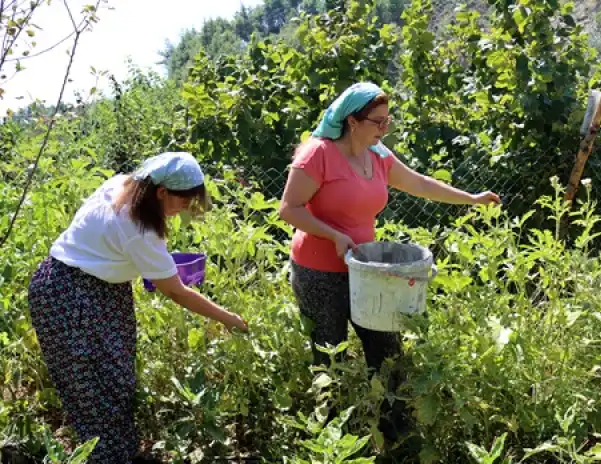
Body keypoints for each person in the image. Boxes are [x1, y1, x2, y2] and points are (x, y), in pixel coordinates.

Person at [279, 82, 499, 438]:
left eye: (387, 121)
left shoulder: (378, 156)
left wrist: (471, 199)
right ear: (352, 120)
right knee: (329, 354)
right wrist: (333, 235)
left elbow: (423, 184)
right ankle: (327, 438)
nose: (385, 129)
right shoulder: (317, 154)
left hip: (368, 271)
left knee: (388, 352)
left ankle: (395, 435)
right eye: (377, 122)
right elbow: (288, 210)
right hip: (319, 270)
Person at [27, 152, 248, 464]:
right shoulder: (138, 227)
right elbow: (177, 292)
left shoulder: (122, 185)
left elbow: (116, 250)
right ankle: (107, 458)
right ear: (161, 192)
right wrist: (229, 318)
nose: (182, 210)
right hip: (69, 297)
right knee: (94, 392)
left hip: (91, 288)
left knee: (115, 382)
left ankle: (120, 455)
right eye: (182, 203)